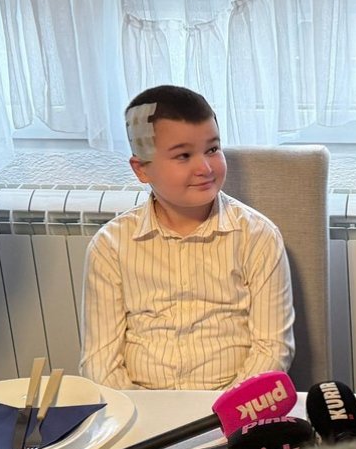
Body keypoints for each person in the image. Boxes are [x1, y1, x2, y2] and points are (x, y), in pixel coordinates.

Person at [80, 85, 295, 390]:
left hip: (234, 404)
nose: (204, 167)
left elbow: (272, 349)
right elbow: (99, 360)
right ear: (142, 169)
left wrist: (226, 409)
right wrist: (141, 410)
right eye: (183, 155)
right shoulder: (110, 246)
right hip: (142, 406)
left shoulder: (258, 236)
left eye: (212, 149)